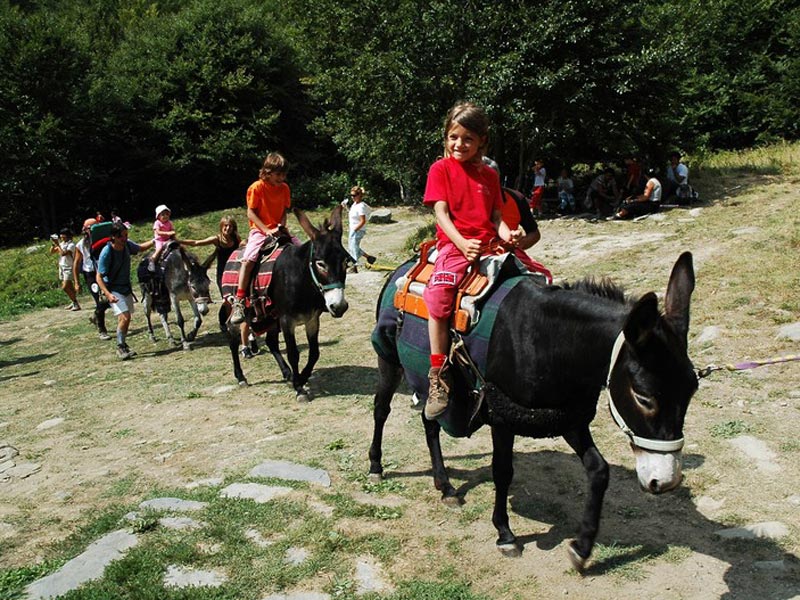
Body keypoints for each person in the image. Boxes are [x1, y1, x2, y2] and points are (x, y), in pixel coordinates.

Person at [421, 102, 524, 420]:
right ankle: (438, 374)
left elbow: (495, 217)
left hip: (489, 245)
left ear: (481, 141)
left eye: (467, 139)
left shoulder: (490, 175)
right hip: (455, 245)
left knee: (534, 280)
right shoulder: (441, 169)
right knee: (438, 298)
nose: (458, 144)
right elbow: (441, 212)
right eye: (453, 137)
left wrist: (511, 232)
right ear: (445, 138)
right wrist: (461, 242)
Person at [230, 152, 292, 325]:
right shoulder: (257, 187)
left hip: (278, 229)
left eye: (284, 174)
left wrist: (281, 227)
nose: (282, 177)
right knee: (248, 259)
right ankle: (240, 300)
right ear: (268, 172)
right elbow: (250, 212)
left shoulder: (285, 188)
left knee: (302, 251)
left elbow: (283, 211)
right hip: (259, 230)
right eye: (278, 174)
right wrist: (266, 230)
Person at [96, 222, 154, 360]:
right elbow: (99, 276)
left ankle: (123, 344)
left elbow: (140, 248)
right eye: (122, 236)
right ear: (114, 237)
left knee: (126, 320)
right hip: (113, 289)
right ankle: (120, 347)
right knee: (125, 317)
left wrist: (155, 240)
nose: (125, 238)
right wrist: (108, 294)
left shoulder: (127, 245)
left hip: (125, 288)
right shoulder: (107, 252)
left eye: (126, 235)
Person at [184, 215, 244, 336]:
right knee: (227, 300)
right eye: (225, 226)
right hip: (223, 274)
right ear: (221, 226)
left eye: (230, 226)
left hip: (235, 272)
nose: (228, 228)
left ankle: (233, 322)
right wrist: (179, 241)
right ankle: (225, 323)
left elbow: (243, 248)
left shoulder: (236, 239)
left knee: (236, 299)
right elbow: (196, 243)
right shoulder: (217, 239)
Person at [73, 218, 111, 339]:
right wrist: (77, 282)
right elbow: (76, 263)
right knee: (99, 300)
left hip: (103, 271)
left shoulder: (105, 240)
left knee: (108, 299)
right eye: (89, 228)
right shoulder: (81, 244)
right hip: (90, 274)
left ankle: (95, 316)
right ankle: (102, 329)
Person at [345, 185, 376, 273]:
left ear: (359, 195)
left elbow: (363, 220)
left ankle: (354, 267)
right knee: (353, 247)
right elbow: (352, 214)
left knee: (353, 248)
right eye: (351, 195)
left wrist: (355, 229)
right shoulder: (355, 204)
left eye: (354, 195)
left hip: (358, 230)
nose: (352, 197)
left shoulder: (361, 206)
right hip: (353, 229)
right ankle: (369, 257)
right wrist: (346, 207)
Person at [50, 228, 80, 311]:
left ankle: (75, 303)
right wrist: (54, 244)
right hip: (62, 267)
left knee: (65, 287)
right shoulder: (62, 243)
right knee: (69, 287)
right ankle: (74, 301)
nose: (62, 237)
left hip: (69, 267)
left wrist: (58, 245)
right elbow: (52, 252)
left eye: (63, 235)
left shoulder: (71, 245)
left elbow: (63, 253)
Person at [148, 205, 176, 272]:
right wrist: (167, 233)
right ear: (158, 216)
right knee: (159, 249)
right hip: (159, 240)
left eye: (167, 214)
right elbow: (157, 232)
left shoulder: (169, 223)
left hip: (168, 240)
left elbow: (172, 230)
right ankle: (152, 260)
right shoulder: (157, 223)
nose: (165, 216)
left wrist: (173, 234)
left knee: (177, 246)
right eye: (163, 214)